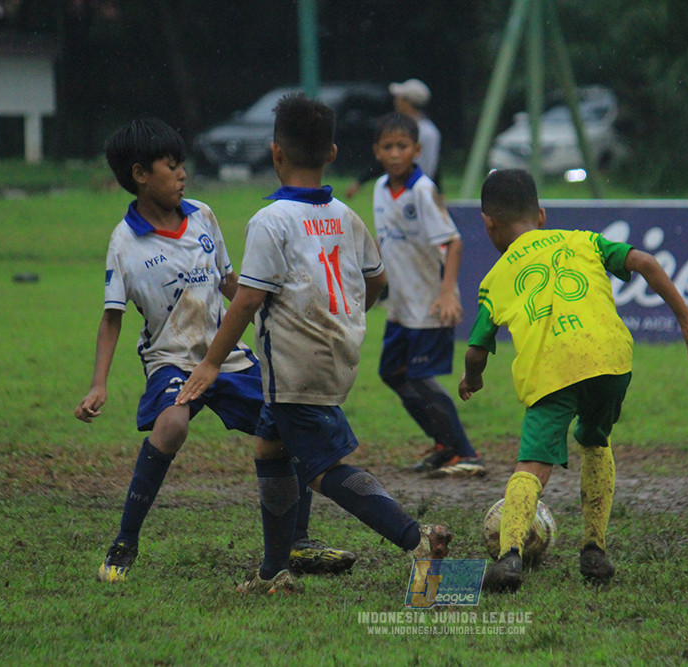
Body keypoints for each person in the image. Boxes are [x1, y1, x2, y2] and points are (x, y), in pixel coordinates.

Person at [175, 93, 452, 595]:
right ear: (332, 152)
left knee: (324, 468)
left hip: (294, 361)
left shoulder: (271, 221)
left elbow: (246, 301)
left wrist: (211, 363)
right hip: (336, 349)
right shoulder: (346, 214)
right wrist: (343, 315)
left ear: (275, 151)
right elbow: (375, 280)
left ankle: (418, 539)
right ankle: (273, 571)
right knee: (271, 447)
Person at [76, 117, 355, 584]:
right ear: (141, 174)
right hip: (172, 358)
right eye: (171, 166)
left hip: (227, 356)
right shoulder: (125, 242)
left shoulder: (203, 215)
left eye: (182, 164)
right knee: (171, 425)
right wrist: (99, 383)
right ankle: (125, 539)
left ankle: (299, 542)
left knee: (290, 422)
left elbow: (232, 285)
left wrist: (277, 321)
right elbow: (112, 316)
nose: (183, 173)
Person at [458, 169, 688, 593]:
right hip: (610, 360)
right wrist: (687, 320)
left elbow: (476, 349)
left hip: (551, 369)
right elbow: (645, 262)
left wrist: (472, 378)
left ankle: (509, 558)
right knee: (594, 438)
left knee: (533, 464)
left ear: (487, 222)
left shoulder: (495, 280)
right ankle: (594, 549)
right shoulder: (584, 240)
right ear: (540, 214)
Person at [370, 112, 484, 478]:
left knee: (419, 377)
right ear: (376, 152)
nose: (395, 153)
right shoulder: (379, 189)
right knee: (392, 372)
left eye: (402, 146)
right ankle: (443, 442)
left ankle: (466, 453)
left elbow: (452, 242)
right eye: (387, 146)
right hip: (401, 307)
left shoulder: (423, 190)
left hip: (430, 305)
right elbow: (385, 240)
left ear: (416, 150)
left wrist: (448, 293)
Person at [345, 78, 441, 197]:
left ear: (408, 102)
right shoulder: (429, 129)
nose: (395, 101)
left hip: (412, 192)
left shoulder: (420, 131)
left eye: (399, 98)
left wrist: (360, 181)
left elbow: (392, 161)